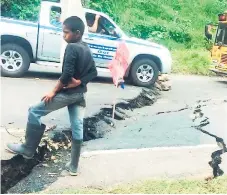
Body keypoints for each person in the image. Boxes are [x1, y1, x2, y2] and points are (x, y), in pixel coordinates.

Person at [6, 16, 97, 176]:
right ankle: (74, 166)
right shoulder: (86, 47)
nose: (63, 35)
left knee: (34, 111)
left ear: (77, 33)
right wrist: (80, 82)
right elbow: (93, 72)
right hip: (80, 94)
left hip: (69, 94)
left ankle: (28, 149)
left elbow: (67, 74)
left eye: (66, 32)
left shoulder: (72, 48)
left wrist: (53, 91)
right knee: (77, 127)